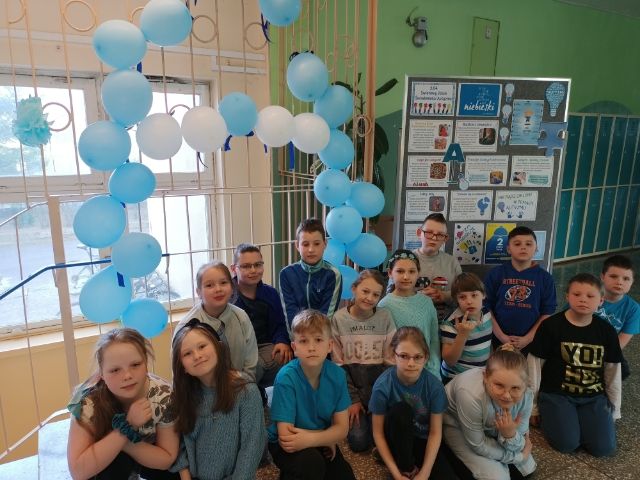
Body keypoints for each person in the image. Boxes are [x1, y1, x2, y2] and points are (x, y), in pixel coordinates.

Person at [528, 273, 622, 457]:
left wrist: (615, 409)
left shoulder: (607, 331)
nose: (583, 300)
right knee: (567, 444)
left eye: (590, 296)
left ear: (601, 300)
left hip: (593, 396)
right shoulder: (551, 326)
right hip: (557, 394)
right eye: (577, 294)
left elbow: (612, 372)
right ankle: (561, 417)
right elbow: (534, 367)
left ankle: (580, 419)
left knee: (603, 448)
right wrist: (532, 407)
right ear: (567, 296)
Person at [66, 328, 179, 480]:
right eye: (115, 370)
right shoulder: (88, 402)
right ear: (101, 374)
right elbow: (78, 472)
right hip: (109, 463)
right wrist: (126, 427)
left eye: (135, 365)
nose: (127, 375)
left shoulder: (163, 397)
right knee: (115, 465)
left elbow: (167, 459)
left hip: (148, 454)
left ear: (146, 363)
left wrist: (125, 442)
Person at [169, 319, 266, 480]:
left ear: (218, 347)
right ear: (182, 366)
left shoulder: (246, 391)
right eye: (187, 354)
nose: (197, 356)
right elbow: (179, 443)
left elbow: (252, 447)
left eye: (202, 346)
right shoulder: (184, 396)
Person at [268, 309, 356, 480]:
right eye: (303, 341)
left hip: (315, 437)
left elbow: (342, 429)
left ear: (330, 345)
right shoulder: (286, 377)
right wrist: (326, 438)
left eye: (318, 340)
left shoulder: (337, 375)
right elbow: (286, 438)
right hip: (285, 443)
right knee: (311, 464)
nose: (311, 347)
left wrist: (318, 439)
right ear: (294, 348)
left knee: (344, 476)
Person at [369, 327, 456, 480]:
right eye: (404, 356)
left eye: (417, 357)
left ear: (426, 357)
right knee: (401, 411)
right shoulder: (382, 386)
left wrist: (425, 473)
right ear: (393, 355)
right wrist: (397, 474)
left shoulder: (435, 387)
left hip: (421, 438)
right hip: (395, 436)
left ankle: (402, 461)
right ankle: (403, 466)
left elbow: (435, 433)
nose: (411, 363)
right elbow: (378, 433)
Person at [443, 345, 535, 480]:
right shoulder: (470, 395)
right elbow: (478, 445)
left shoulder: (527, 395)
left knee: (527, 469)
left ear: (526, 385)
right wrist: (517, 457)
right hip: (457, 424)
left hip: (490, 425)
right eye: (499, 385)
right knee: (497, 477)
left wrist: (510, 435)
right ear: (485, 377)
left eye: (515, 388)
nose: (507, 396)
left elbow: (522, 438)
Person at [331, 269, 395, 452]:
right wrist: (353, 400)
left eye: (376, 295)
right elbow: (338, 366)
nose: (369, 298)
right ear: (354, 288)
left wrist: (379, 398)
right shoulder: (339, 318)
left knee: (383, 437)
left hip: (379, 391)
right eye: (365, 291)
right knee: (359, 442)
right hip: (353, 391)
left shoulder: (385, 316)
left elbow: (391, 362)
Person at [175, 261, 259, 381]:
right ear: (198, 292)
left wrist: (244, 384)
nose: (218, 289)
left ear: (232, 287)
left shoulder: (241, 317)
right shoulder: (186, 328)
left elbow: (251, 363)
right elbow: (179, 374)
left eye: (223, 283)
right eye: (209, 285)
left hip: (241, 384)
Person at [483, 226, 557, 355]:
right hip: (498, 338)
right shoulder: (495, 274)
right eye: (517, 244)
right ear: (508, 249)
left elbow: (547, 312)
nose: (523, 247)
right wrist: (501, 336)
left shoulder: (545, 278)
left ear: (536, 248)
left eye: (528, 244)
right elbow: (486, 307)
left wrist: (528, 339)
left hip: (531, 340)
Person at [231, 243, 292, 388]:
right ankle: (251, 394)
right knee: (250, 370)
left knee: (285, 358)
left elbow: (280, 324)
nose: (253, 270)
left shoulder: (271, 294)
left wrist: (281, 341)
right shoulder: (228, 296)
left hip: (265, 346)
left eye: (258, 265)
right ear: (234, 269)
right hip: (239, 350)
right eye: (246, 266)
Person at [378, 249, 441, 378]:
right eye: (400, 271)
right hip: (398, 373)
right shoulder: (384, 306)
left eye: (412, 271)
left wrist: (434, 368)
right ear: (390, 273)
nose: (406, 277)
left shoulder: (426, 302)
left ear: (418, 273)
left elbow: (434, 339)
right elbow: (384, 346)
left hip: (428, 371)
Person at [279, 218, 342, 329]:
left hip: (321, 335)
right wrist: (298, 338)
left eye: (317, 244)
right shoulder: (286, 274)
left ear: (325, 244)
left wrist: (314, 338)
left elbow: (327, 315)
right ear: (297, 245)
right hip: (296, 335)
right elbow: (289, 313)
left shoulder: (333, 274)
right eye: (305, 244)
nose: (311, 249)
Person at [440, 272, 493, 383]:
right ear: (456, 300)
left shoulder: (486, 313)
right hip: (455, 377)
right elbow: (450, 361)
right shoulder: (450, 323)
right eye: (462, 297)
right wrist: (462, 334)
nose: (469, 301)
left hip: (479, 374)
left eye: (474, 295)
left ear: (483, 295)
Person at [597, 254, 640, 380]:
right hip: (576, 344)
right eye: (613, 276)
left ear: (632, 282)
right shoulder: (588, 295)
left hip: (607, 350)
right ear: (602, 277)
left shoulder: (633, 309)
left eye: (626, 279)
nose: (619, 282)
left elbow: (620, 342)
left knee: (622, 370)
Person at [412, 213, 462, 321]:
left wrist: (443, 296)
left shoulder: (452, 262)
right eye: (429, 233)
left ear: (445, 238)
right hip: (413, 322)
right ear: (419, 233)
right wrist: (417, 296)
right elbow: (392, 294)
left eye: (440, 235)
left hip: (447, 323)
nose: (434, 238)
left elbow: (463, 294)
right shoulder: (405, 260)